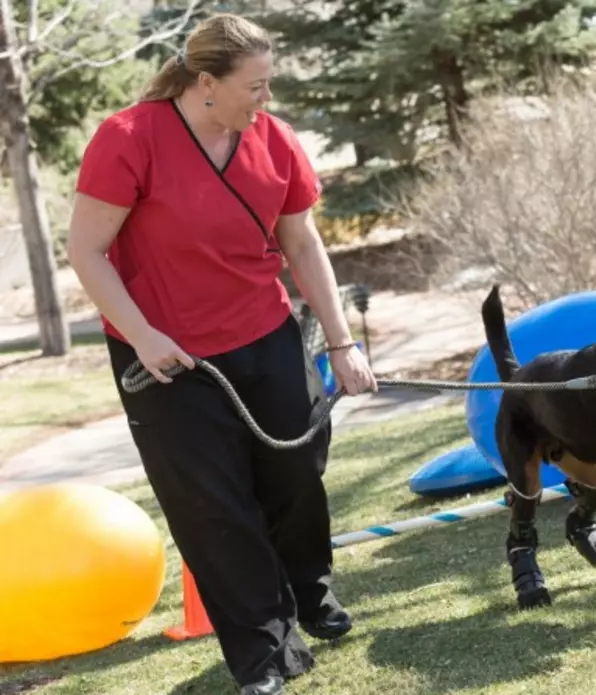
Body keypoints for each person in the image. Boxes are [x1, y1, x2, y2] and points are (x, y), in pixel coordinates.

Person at [66, 13, 377, 695]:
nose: (265, 101)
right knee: (214, 505)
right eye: (255, 87)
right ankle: (264, 652)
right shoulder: (128, 139)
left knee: (296, 471)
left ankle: (307, 586)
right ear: (206, 83)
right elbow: (86, 251)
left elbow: (301, 244)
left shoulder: (275, 140)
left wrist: (342, 341)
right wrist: (144, 336)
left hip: (264, 332)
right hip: (165, 357)